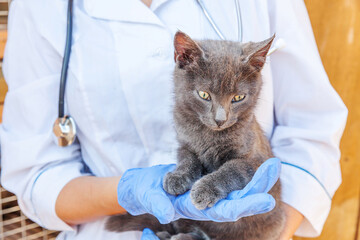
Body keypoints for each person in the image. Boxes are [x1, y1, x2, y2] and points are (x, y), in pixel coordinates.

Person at [0, 0, 347, 239]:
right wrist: (129, 193)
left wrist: (270, 231)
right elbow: (37, 174)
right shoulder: (41, 8)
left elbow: (311, 127)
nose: (221, 116)